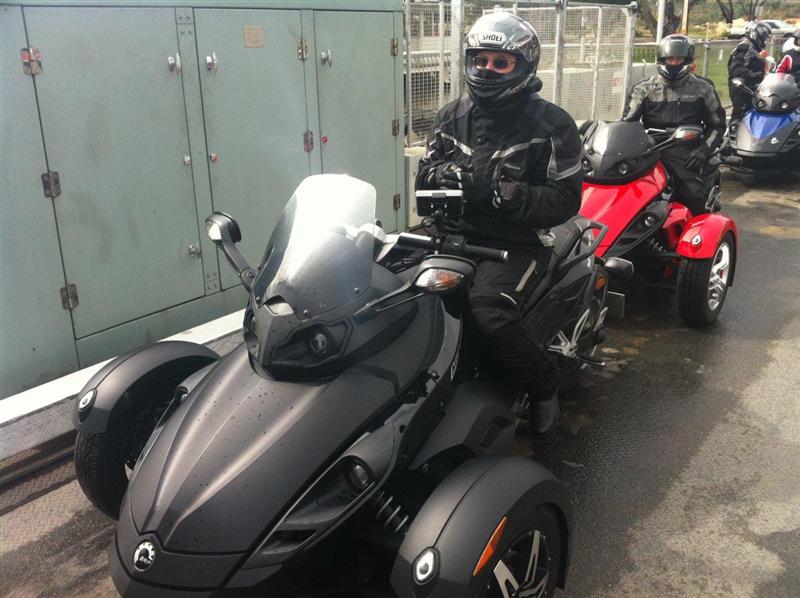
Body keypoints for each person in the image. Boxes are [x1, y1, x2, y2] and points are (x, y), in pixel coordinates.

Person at [416, 11, 582, 439]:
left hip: (516, 241)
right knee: (393, 292)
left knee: (488, 313)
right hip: (448, 233)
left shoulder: (552, 124)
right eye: (480, 60)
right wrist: (437, 177)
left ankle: (543, 384)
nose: (487, 70)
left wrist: (498, 192)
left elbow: (566, 199)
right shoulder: (450, 116)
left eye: (500, 62)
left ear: (523, 66)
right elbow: (423, 178)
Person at [623, 34, 726, 217]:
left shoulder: (703, 88)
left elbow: (717, 125)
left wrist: (702, 152)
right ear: (662, 59)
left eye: (679, 59)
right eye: (670, 58)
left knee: (693, 196)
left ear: (688, 60)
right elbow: (627, 123)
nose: (674, 63)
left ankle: (697, 229)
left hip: (685, 149)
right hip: (650, 149)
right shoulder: (643, 89)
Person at [728, 21, 771, 121]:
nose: (764, 40)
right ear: (755, 34)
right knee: (739, 116)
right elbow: (735, 68)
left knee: (751, 115)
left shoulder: (752, 46)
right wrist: (753, 74)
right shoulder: (745, 46)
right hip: (741, 88)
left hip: (750, 87)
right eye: (763, 37)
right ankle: (733, 130)